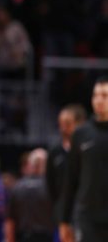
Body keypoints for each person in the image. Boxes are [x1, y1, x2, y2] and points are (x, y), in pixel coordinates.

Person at [60, 77, 108, 242]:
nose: (99, 100)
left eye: (105, 95)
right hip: (87, 216)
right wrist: (64, 220)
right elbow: (71, 179)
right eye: (96, 95)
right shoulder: (81, 134)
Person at [45, 104, 86, 238]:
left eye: (68, 123)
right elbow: (50, 185)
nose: (63, 128)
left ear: (81, 123)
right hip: (62, 215)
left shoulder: (88, 149)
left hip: (85, 212)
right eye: (60, 124)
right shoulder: (55, 152)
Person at [5, 148, 54, 242]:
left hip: (23, 237)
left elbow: (10, 221)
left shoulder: (18, 186)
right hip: (46, 237)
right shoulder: (51, 187)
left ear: (31, 164)